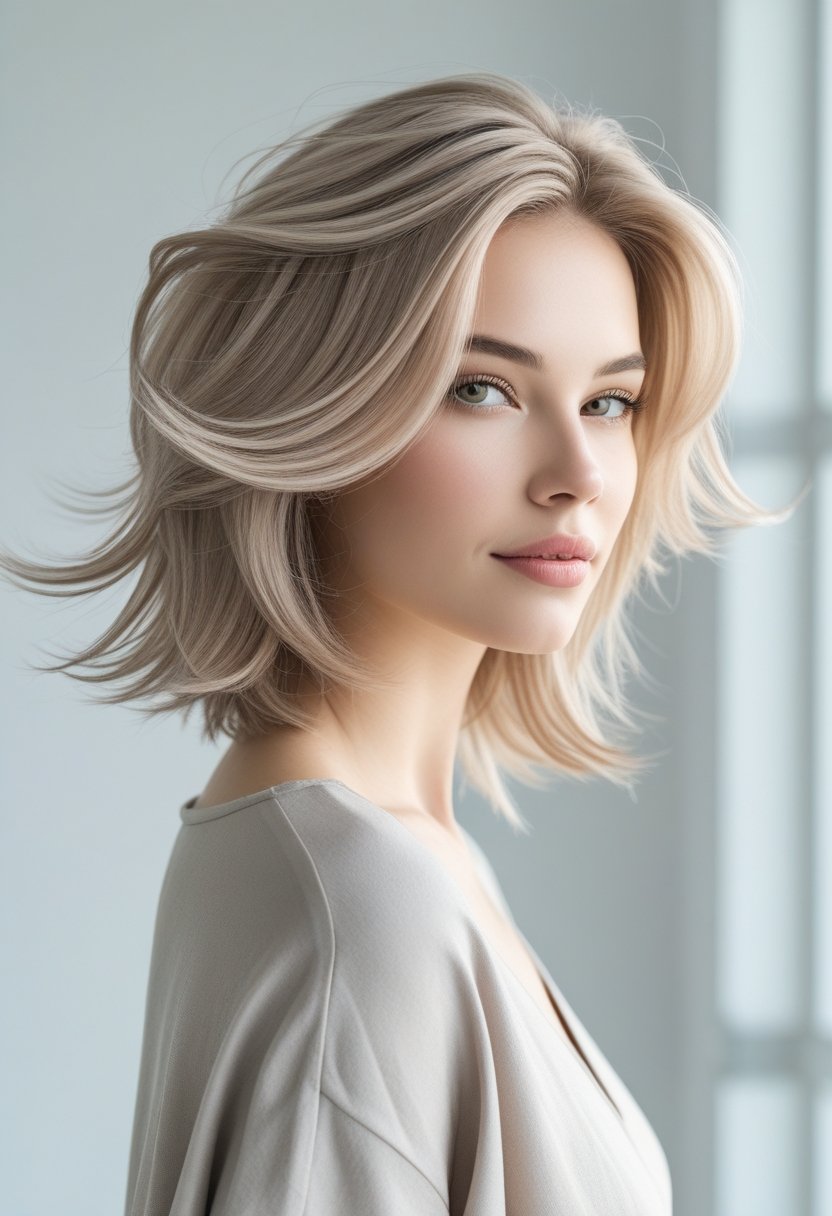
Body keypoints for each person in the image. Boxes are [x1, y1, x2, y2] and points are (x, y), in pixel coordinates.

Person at [0, 71, 798, 1214]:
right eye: (482, 388)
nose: (577, 474)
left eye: (609, 403)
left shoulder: (358, 852)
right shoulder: (363, 909)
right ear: (319, 402)